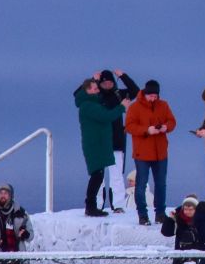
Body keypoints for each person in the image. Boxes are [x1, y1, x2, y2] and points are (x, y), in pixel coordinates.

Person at [125, 80, 177, 225]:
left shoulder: (163, 105)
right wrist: (147, 130)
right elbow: (129, 126)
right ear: (145, 94)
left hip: (160, 153)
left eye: (155, 96)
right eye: (151, 96)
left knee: (161, 184)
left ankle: (160, 214)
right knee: (141, 185)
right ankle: (142, 215)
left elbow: (172, 121)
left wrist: (166, 127)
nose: (153, 99)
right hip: (142, 153)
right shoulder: (135, 107)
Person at [76, 78, 129, 218]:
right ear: (87, 90)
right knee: (97, 176)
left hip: (96, 144)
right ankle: (90, 206)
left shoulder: (91, 103)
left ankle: (91, 206)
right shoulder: (88, 105)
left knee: (97, 176)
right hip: (95, 145)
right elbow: (106, 116)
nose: (97, 91)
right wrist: (121, 107)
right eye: (94, 89)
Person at [96, 69, 138, 212]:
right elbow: (78, 95)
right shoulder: (95, 96)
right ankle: (97, 205)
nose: (107, 85)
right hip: (99, 142)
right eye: (104, 83)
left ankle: (118, 205)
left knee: (117, 176)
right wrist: (94, 80)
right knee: (98, 176)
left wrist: (123, 76)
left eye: (110, 82)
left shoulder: (119, 94)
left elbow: (135, 91)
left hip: (116, 142)